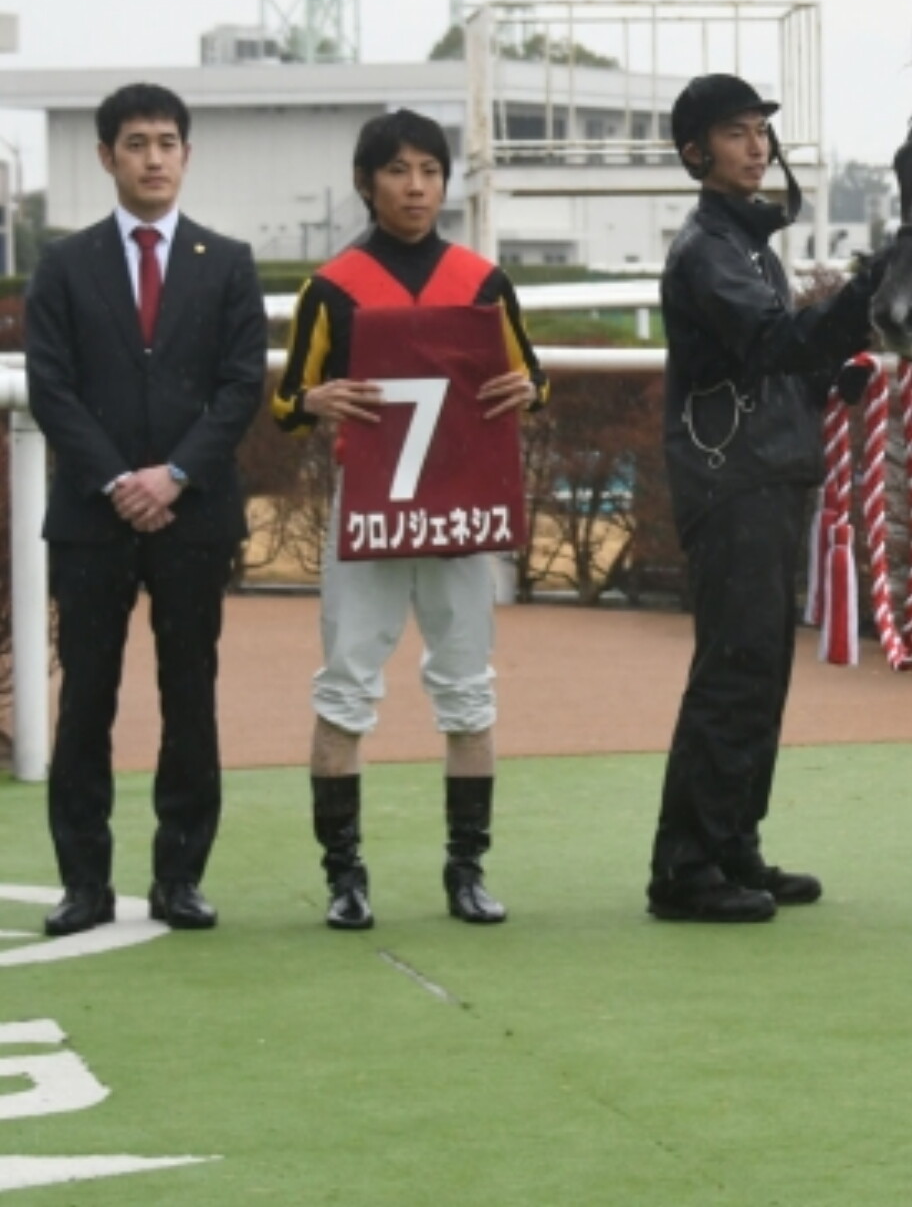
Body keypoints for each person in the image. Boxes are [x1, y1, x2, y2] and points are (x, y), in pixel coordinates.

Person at [272, 109, 546, 931]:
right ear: (367, 182)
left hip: (460, 517)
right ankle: (344, 878)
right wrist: (312, 401)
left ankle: (467, 871)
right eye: (398, 170)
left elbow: (529, 374)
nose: (416, 185)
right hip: (372, 519)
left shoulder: (483, 280)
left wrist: (531, 390)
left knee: (469, 695)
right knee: (346, 689)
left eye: (429, 169)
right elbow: (288, 399)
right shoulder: (331, 287)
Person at [25, 83, 268, 936]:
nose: (154, 158)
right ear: (106, 157)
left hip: (193, 519)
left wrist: (173, 477)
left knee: (188, 694)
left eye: (167, 142)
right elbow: (50, 388)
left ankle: (180, 879)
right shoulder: (62, 265)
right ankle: (84, 884)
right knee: (86, 699)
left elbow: (243, 386)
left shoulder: (228, 262)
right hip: (92, 524)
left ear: (187, 155)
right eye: (136, 143)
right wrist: (120, 483)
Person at [647, 74, 885, 923]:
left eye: (760, 131)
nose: (757, 146)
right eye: (737, 132)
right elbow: (775, 341)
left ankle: (730, 844)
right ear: (695, 153)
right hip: (735, 480)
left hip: (762, 472)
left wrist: (833, 372)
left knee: (758, 669)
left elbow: (771, 360)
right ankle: (684, 867)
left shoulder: (744, 244)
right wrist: (868, 291)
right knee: (735, 672)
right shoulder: (712, 249)